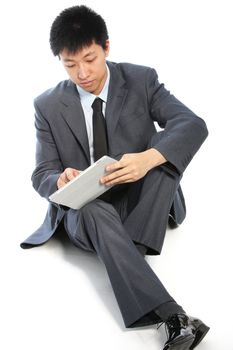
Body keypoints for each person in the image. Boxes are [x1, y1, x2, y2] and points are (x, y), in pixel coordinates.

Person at [20, 5, 210, 350]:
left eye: (89, 59)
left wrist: (147, 159)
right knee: (89, 208)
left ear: (106, 47)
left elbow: (192, 124)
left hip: (140, 195)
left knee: (163, 151)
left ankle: (119, 252)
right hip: (87, 208)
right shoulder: (46, 105)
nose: (82, 73)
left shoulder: (141, 79)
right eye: (70, 64)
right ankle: (174, 318)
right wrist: (60, 180)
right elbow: (41, 173)